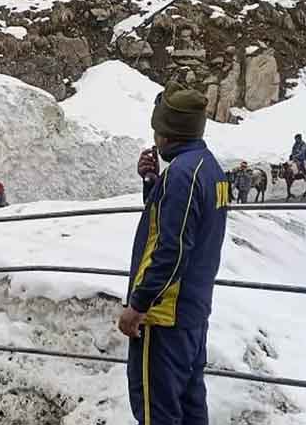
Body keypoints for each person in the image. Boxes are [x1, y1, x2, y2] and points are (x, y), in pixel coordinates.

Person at [120, 82, 228, 425]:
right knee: (191, 406)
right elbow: (181, 227)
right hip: (193, 312)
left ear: (169, 132)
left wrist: (138, 306)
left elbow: (172, 249)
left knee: (158, 411)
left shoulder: (181, 175)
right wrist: (152, 183)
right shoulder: (210, 170)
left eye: (158, 131)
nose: (155, 139)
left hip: (164, 315)